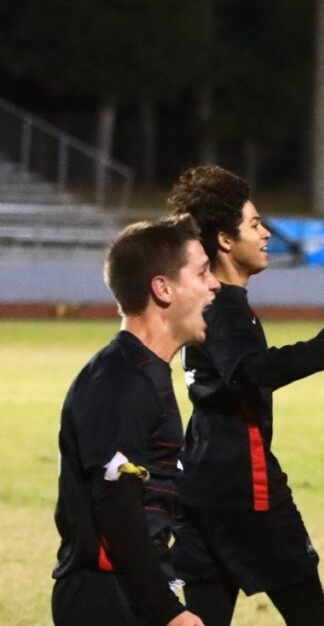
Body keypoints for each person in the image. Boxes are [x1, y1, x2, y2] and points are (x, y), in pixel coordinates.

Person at [166, 165, 324, 626]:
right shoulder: (226, 309)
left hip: (202, 485)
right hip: (247, 486)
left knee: (203, 617)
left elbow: (245, 373)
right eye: (255, 224)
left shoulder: (214, 305)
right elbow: (254, 371)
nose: (265, 234)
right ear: (225, 240)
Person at [52, 215, 219, 626]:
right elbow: (117, 507)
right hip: (107, 599)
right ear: (162, 289)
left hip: (130, 591)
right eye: (201, 272)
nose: (213, 284)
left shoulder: (144, 372)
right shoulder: (122, 381)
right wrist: (167, 612)